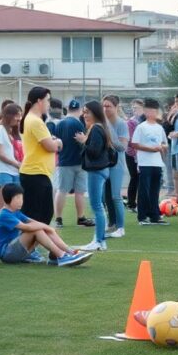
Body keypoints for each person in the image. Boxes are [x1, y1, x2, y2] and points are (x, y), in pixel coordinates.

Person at [0, 184, 92, 267]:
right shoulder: (4, 215)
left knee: (42, 228)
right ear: (8, 199)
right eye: (17, 198)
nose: (21, 201)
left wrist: (49, 229)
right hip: (7, 254)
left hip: (15, 251)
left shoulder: (16, 212)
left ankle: (67, 253)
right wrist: (47, 227)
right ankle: (62, 256)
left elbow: (33, 222)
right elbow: (28, 227)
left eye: (21, 198)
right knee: (37, 230)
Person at [75, 100, 115, 252]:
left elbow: (94, 151)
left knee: (97, 206)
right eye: (84, 112)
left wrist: (83, 141)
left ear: (95, 113)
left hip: (96, 170)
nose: (85, 115)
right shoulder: (98, 127)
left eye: (88, 112)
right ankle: (100, 240)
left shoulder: (96, 129)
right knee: (98, 206)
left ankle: (98, 240)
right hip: (99, 170)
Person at [19, 87, 61, 226]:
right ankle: (26, 246)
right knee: (40, 215)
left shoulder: (31, 119)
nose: (49, 104)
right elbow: (50, 146)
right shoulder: (35, 121)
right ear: (39, 101)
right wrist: (58, 143)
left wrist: (52, 141)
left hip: (36, 173)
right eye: (47, 100)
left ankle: (30, 246)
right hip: (35, 173)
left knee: (39, 215)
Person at [53, 100, 94, 229]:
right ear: (80, 109)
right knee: (79, 192)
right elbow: (82, 142)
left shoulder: (59, 124)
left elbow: (56, 141)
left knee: (62, 190)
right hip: (79, 162)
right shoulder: (78, 123)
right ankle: (80, 217)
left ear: (67, 108)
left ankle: (58, 218)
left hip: (64, 161)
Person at [132, 98, 168, 226]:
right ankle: (142, 215)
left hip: (157, 163)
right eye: (149, 110)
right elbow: (134, 144)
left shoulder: (159, 128)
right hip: (145, 163)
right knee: (144, 190)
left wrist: (162, 148)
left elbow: (164, 143)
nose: (152, 113)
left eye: (154, 110)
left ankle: (155, 214)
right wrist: (151, 149)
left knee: (155, 190)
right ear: (146, 112)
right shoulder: (141, 127)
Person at [0, 103, 23, 232]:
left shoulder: (11, 130)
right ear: (9, 115)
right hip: (3, 172)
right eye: (17, 115)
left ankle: (6, 230)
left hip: (14, 172)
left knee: (13, 205)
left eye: (20, 115)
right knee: (0, 204)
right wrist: (17, 164)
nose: (19, 118)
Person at [101, 95, 129, 237]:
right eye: (104, 106)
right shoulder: (101, 122)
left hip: (116, 164)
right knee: (105, 196)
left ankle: (121, 227)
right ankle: (111, 223)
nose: (105, 109)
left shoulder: (121, 124)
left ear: (116, 107)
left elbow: (122, 147)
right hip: (104, 164)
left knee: (115, 196)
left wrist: (109, 132)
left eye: (109, 106)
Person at [125, 99, 145, 212]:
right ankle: (131, 203)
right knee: (134, 177)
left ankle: (140, 202)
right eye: (133, 108)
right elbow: (131, 140)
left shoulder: (145, 120)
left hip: (142, 153)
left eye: (136, 107)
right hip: (131, 154)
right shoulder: (131, 122)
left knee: (141, 178)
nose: (134, 110)